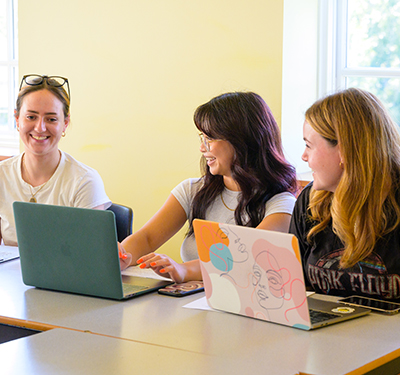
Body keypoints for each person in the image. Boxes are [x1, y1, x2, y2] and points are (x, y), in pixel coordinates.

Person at [121, 91, 297, 282]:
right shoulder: (191, 190)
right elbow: (147, 238)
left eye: (210, 139)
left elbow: (245, 257)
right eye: (202, 138)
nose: (202, 148)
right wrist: (121, 255)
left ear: (241, 141)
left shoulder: (281, 203)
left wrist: (184, 270)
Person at [290, 87, 400, 302]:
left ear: (344, 151)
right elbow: (292, 285)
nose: (303, 156)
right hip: (323, 333)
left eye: (308, 146)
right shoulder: (310, 200)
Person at [0, 74, 111, 246]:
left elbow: (90, 255)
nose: (40, 127)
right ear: (17, 120)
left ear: (65, 123)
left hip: (66, 273)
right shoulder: (2, 174)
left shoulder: (85, 181)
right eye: (31, 117)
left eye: (51, 119)